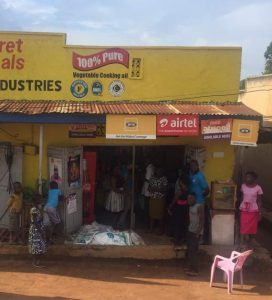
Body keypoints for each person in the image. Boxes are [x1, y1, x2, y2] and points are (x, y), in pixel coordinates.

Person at [239, 171, 263, 249]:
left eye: (249, 177)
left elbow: (259, 201)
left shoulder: (258, 188)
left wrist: (259, 212)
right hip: (244, 209)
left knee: (252, 227)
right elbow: (241, 197)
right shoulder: (243, 186)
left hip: (253, 210)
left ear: (254, 178)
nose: (247, 179)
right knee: (243, 225)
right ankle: (242, 243)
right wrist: (239, 208)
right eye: (246, 177)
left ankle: (251, 242)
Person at [189, 160, 209, 243]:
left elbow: (207, 190)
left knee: (200, 220)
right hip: (191, 202)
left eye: (194, 165)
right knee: (193, 220)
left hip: (199, 202)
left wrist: (200, 198)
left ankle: (200, 238)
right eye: (191, 165)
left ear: (197, 166)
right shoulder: (190, 174)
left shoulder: (200, 176)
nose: (192, 167)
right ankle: (193, 236)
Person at [186, 193, 204, 276]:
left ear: (194, 199)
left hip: (195, 232)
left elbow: (202, 221)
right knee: (190, 250)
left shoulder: (199, 207)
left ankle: (195, 269)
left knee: (193, 251)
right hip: (190, 230)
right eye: (188, 199)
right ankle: (190, 267)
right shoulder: (190, 206)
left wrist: (198, 233)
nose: (189, 200)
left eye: (191, 199)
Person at [168, 174, 189, 246]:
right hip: (186, 209)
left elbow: (174, 200)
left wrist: (170, 207)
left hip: (179, 209)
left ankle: (177, 239)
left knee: (177, 223)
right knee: (184, 223)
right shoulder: (189, 190)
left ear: (182, 182)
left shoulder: (180, 191)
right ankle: (183, 238)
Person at [28, 194, 47, 268]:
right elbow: (35, 222)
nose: (41, 200)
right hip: (36, 230)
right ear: (37, 200)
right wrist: (40, 231)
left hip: (38, 228)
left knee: (39, 246)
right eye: (40, 199)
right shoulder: (34, 209)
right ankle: (35, 262)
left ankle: (37, 261)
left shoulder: (37, 209)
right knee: (36, 246)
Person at [149, 167, 168, 234]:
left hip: (160, 199)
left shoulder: (164, 179)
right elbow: (149, 187)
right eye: (158, 170)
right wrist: (151, 189)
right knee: (152, 214)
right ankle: (151, 229)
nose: (159, 172)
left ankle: (161, 230)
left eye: (160, 170)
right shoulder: (152, 178)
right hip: (153, 198)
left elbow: (165, 189)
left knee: (160, 215)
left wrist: (156, 189)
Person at [141, 158, 155, 229]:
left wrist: (142, 177)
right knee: (148, 208)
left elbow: (148, 179)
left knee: (147, 209)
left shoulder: (149, 168)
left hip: (148, 192)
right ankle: (148, 225)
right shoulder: (151, 167)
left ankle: (147, 225)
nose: (145, 162)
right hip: (148, 191)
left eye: (146, 160)